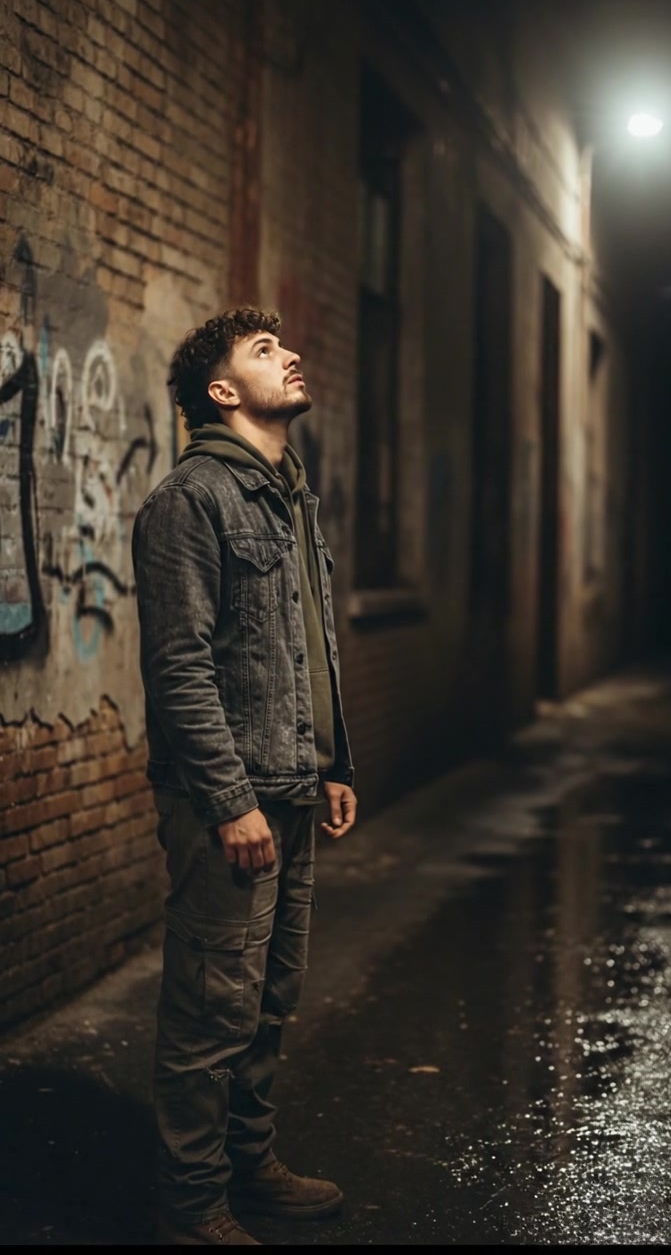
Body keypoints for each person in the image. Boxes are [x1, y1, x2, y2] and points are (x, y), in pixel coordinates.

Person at [131, 306, 357, 1246]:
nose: (290, 354)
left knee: (269, 998)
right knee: (211, 1007)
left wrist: (333, 760)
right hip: (230, 799)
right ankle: (193, 1207)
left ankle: (248, 1165)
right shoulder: (192, 501)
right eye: (265, 350)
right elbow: (179, 668)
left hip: (293, 785)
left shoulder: (288, 495)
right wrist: (230, 803)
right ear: (222, 391)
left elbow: (308, 646)